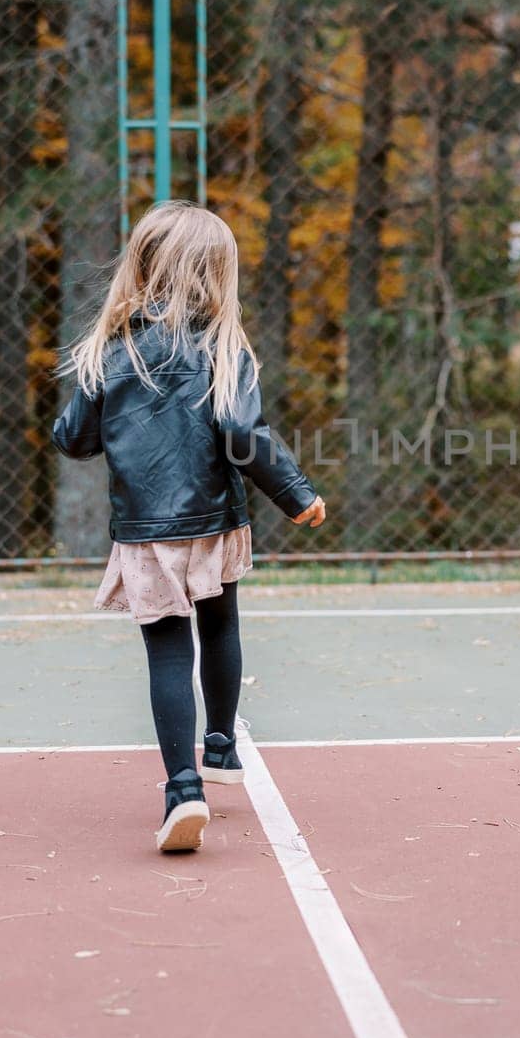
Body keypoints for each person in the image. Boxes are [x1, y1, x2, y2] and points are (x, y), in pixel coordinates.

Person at [52, 201, 325, 853]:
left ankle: (183, 789)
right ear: (214, 274)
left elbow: (73, 440)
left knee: (168, 652)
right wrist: (296, 494)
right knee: (221, 623)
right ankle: (222, 744)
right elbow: (241, 433)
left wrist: (100, 393)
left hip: (146, 531)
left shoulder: (111, 351)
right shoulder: (222, 348)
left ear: (141, 267)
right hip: (213, 521)